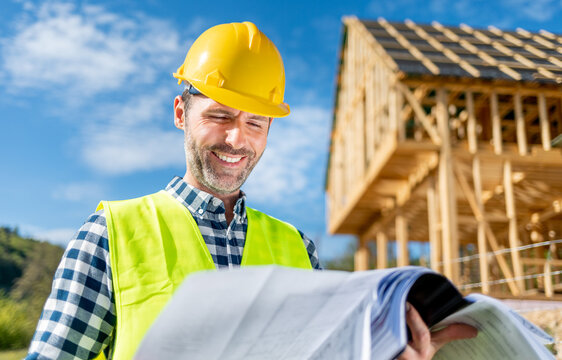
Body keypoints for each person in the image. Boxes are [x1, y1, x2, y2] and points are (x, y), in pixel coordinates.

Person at [26, 21, 476, 360]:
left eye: (255, 123)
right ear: (181, 112)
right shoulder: (110, 233)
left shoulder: (299, 251)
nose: (237, 140)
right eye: (220, 116)